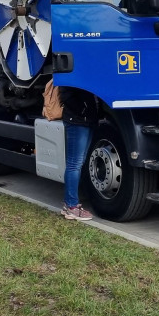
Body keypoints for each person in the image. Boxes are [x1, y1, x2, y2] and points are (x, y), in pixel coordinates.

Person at [58, 86, 100, 221]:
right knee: (74, 164)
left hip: (86, 120)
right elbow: (66, 95)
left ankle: (70, 204)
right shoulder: (70, 74)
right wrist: (84, 111)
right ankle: (71, 206)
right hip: (77, 121)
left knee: (78, 162)